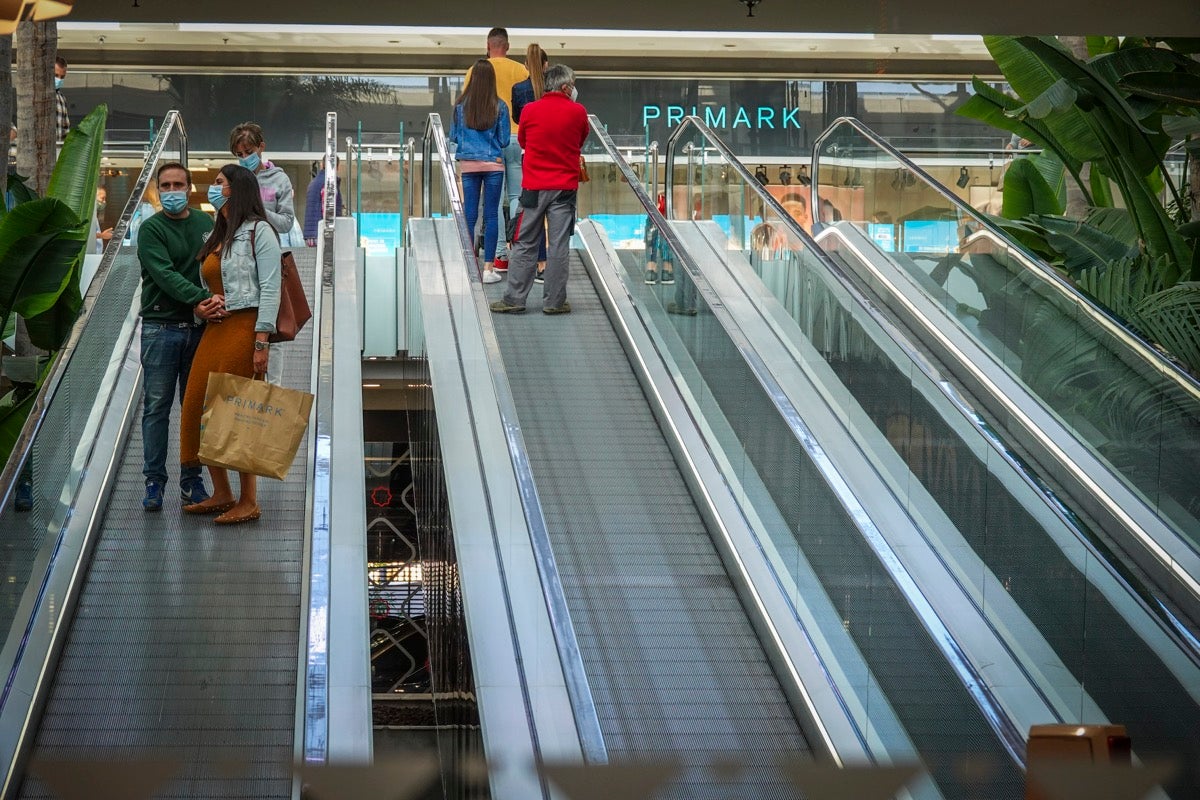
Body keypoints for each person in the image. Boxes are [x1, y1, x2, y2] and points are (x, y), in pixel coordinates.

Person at [179, 164, 281, 525]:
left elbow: (271, 287)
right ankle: (221, 491)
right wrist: (201, 307)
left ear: (236, 189)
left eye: (219, 182)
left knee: (235, 411)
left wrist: (261, 340)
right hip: (216, 328)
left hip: (244, 327)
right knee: (197, 406)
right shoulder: (218, 232)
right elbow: (208, 285)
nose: (213, 187)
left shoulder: (260, 232)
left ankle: (249, 499)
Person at [135, 162, 221, 512]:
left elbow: (217, 266)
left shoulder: (206, 224)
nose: (172, 191)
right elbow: (165, 275)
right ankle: (154, 482)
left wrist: (211, 302)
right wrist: (200, 301)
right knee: (156, 409)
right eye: (166, 186)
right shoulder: (150, 229)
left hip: (200, 332)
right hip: (160, 329)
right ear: (159, 190)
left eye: (178, 185)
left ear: (189, 188)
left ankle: (192, 481)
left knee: (194, 410)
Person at [489, 63, 588, 316]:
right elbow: (580, 139)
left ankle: (515, 299)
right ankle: (554, 302)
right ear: (565, 87)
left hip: (533, 187)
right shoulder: (578, 112)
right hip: (564, 189)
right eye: (573, 86)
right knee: (558, 245)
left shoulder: (529, 111)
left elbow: (522, 140)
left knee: (524, 242)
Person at [463, 27, 528, 272]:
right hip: (517, 137)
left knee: (493, 204)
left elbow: (468, 107)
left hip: (489, 142)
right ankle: (520, 251)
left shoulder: (475, 71)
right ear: (507, 46)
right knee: (516, 197)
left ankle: (500, 255)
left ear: (488, 46)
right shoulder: (520, 70)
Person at [451, 59, 511, 284]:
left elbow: (454, 137)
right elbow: (504, 140)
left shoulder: (460, 106)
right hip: (493, 164)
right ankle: (488, 269)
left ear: (473, 79)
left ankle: (469, 265)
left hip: (469, 164)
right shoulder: (500, 106)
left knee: (470, 213)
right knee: (492, 214)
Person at [511, 44, 550, 281]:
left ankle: (539, 262)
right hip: (555, 157)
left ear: (526, 65)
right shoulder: (554, 89)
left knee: (533, 213)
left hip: (531, 157)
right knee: (555, 215)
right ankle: (550, 266)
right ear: (546, 65)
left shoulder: (519, 89)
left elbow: (518, 118)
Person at [229, 122, 296, 244]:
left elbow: (286, 224)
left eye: (249, 152)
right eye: (239, 154)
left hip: (267, 247)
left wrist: (259, 209)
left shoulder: (280, 179)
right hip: (237, 249)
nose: (244, 158)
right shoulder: (232, 179)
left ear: (261, 147)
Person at [303, 158, 343, 247]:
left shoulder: (315, 182)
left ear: (322, 164)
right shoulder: (329, 182)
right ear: (337, 167)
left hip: (312, 234)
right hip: (321, 235)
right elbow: (328, 210)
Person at [644, 194, 674, 285]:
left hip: (652, 194)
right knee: (667, 225)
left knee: (651, 224)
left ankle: (651, 269)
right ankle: (666, 269)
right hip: (670, 197)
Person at [55, 56, 69, 142]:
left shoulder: (62, 98)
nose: (59, 79)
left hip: (58, 150)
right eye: (56, 75)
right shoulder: (37, 95)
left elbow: (66, 129)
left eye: (62, 77)